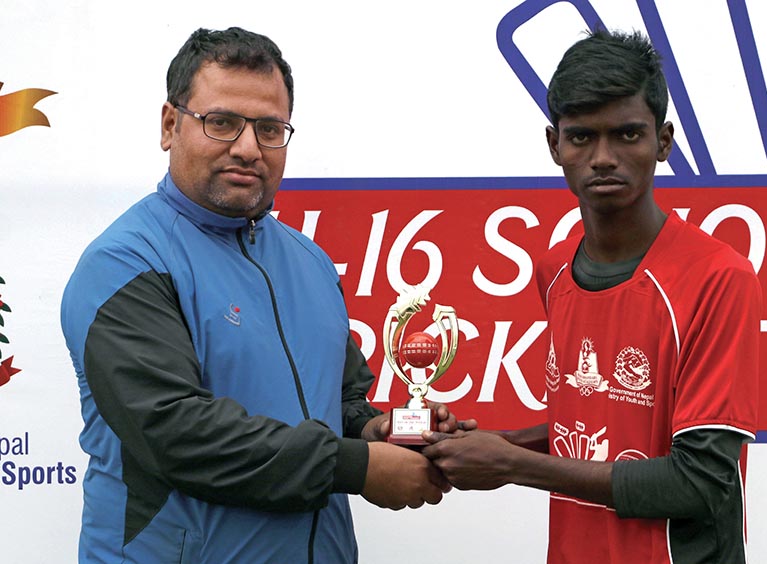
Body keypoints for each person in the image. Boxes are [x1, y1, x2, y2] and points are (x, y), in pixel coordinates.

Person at [61, 26, 472, 564]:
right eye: (222, 122)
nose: (248, 148)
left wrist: (383, 431)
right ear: (170, 125)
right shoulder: (124, 264)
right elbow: (178, 434)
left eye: (270, 128)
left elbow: (342, 402)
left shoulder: (310, 262)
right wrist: (357, 467)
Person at [423, 29, 761, 564]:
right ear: (555, 144)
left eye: (627, 134)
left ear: (664, 141)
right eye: (581, 137)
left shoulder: (718, 277)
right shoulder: (554, 268)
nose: (604, 157)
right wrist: (495, 445)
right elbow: (594, 429)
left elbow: (699, 483)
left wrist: (511, 466)